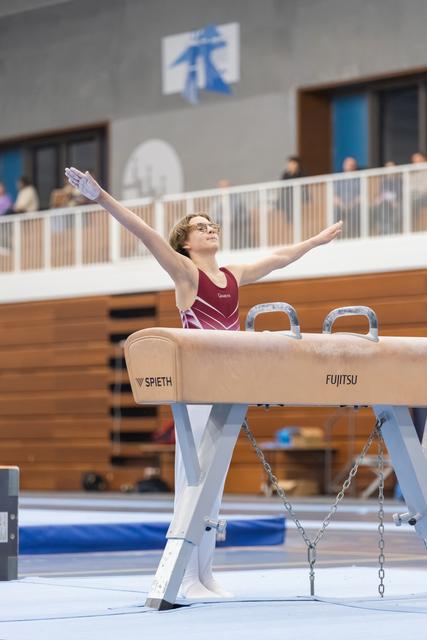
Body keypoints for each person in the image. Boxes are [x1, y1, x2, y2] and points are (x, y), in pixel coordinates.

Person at [65, 166, 343, 599]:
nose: (209, 229)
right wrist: (101, 196)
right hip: (196, 389)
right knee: (193, 484)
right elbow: (143, 233)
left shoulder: (233, 276)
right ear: (185, 243)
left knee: (213, 489)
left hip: (227, 389)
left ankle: (206, 573)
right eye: (199, 227)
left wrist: (315, 241)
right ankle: (184, 575)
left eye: (211, 225)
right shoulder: (185, 274)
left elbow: (279, 258)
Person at [333, 157, 360, 238]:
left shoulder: (359, 179)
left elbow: (361, 196)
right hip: (341, 206)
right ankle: (336, 235)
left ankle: (353, 235)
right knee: (336, 211)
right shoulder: (339, 179)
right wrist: (343, 205)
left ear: (355, 167)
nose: (350, 167)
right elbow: (335, 196)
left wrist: (351, 205)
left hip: (354, 206)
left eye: (352, 165)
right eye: (348, 165)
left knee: (356, 212)